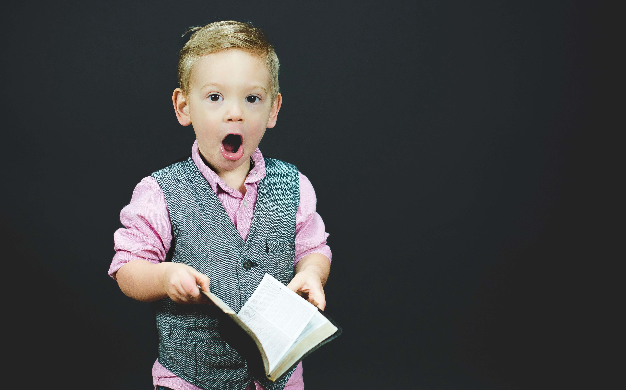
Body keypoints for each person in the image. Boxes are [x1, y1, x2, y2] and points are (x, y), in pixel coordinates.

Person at [108, 20, 332, 390]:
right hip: (192, 379)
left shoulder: (295, 186)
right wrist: (165, 277)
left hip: (278, 377)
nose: (235, 113)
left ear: (273, 110)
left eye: (252, 98)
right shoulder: (160, 191)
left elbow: (314, 248)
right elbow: (127, 267)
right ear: (184, 107)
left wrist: (311, 273)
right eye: (215, 97)